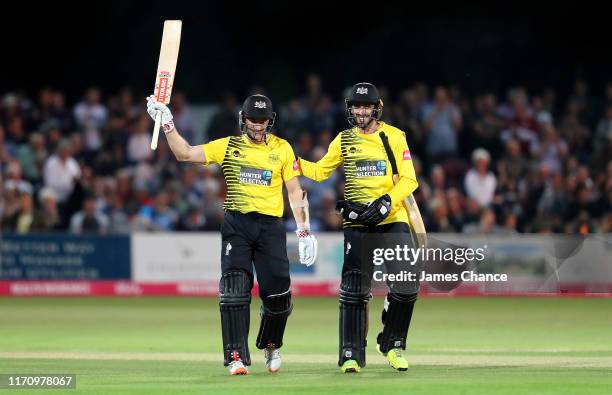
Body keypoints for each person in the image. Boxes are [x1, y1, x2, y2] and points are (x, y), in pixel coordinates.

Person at [146, 93, 318, 375]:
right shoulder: (228, 146)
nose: (258, 126)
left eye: (263, 121)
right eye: (253, 119)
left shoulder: (283, 149)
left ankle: (271, 343)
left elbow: (295, 190)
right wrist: (167, 124)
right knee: (235, 291)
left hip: (271, 228)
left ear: (270, 121)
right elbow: (185, 153)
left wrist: (303, 230)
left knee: (278, 296)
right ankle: (236, 356)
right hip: (237, 225)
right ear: (243, 119)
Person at [298, 83, 420, 373]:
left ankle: (391, 344)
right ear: (349, 109)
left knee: (406, 284)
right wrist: (288, 161)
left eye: (366, 106)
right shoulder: (343, 140)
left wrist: (386, 201)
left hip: (392, 218)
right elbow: (319, 171)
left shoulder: (394, 136)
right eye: (357, 106)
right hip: (357, 221)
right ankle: (351, 353)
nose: (361, 111)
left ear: (376, 108)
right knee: (355, 291)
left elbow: (409, 179)